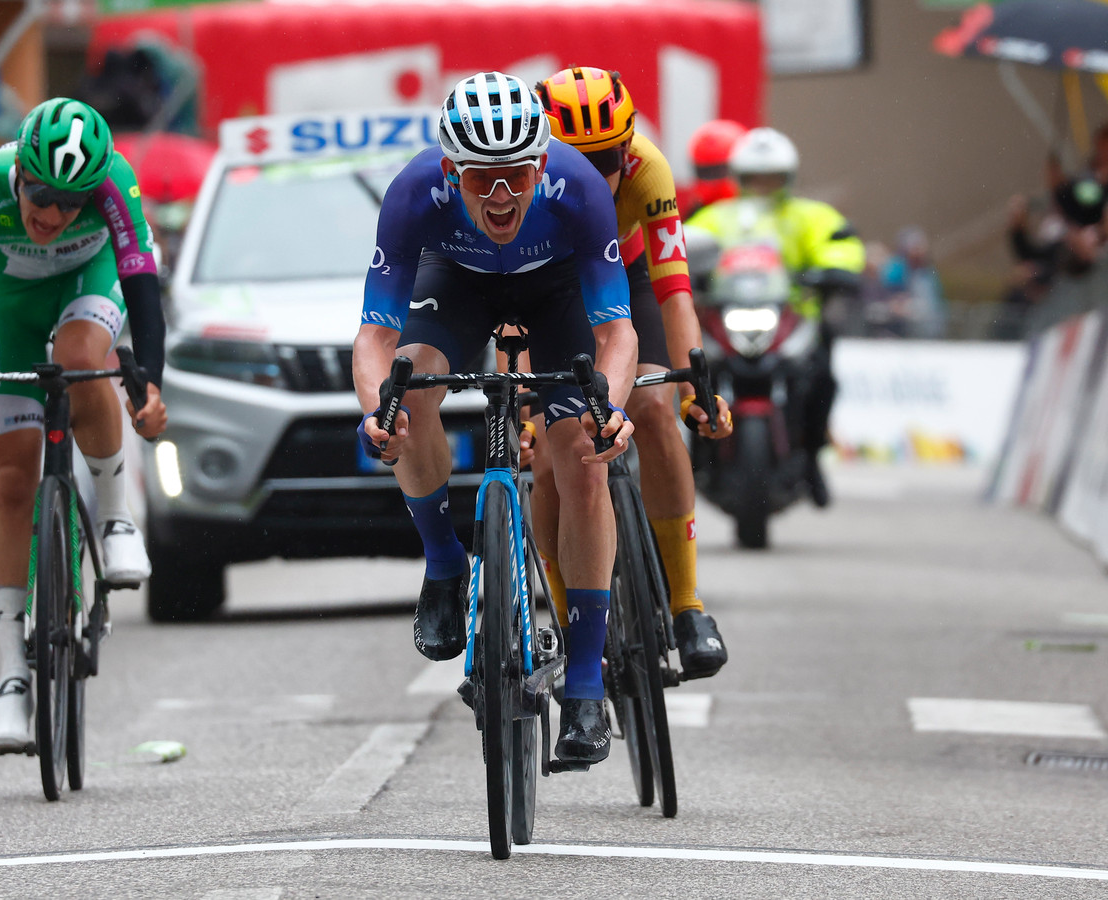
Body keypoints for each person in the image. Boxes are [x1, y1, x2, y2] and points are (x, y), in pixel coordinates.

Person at [352, 72, 637, 764]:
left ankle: (586, 687)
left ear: (541, 163)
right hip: (457, 285)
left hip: (554, 290)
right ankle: (445, 564)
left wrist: (614, 409)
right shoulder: (417, 191)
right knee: (410, 394)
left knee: (583, 459)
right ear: (452, 168)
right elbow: (375, 337)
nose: (502, 194)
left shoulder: (579, 187)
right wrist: (376, 413)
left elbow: (617, 332)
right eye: (482, 178)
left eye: (516, 174)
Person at [0, 97, 168, 753]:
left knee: (82, 359)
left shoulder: (115, 182)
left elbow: (142, 283)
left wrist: (149, 380)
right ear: (20, 172)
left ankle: (116, 519)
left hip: (88, 287)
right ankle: (11, 675)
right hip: (7, 309)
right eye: (42, 195)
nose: (55, 215)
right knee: (10, 481)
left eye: (72, 202)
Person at [534, 67, 732, 679]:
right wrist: (522, 406)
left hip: (628, 276)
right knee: (546, 451)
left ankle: (687, 605)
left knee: (651, 407)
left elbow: (674, 294)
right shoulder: (522, 181)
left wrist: (696, 384)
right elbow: (506, 307)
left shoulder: (648, 168)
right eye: (577, 161)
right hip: (547, 288)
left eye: (608, 160)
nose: (596, 178)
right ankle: (572, 626)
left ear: (628, 146)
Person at [686, 127, 864, 508]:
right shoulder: (716, 217)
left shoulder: (808, 215)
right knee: (690, 374)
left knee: (822, 378)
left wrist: (834, 269)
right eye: (754, 177)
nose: (763, 185)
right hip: (726, 316)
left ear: (788, 178)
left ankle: (813, 455)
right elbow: (680, 245)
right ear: (738, 177)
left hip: (791, 319)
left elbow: (841, 243)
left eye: (773, 177)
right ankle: (691, 453)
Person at [677, 118, 747, 220]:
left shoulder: (766, 216)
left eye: (720, 170)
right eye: (704, 172)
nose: (712, 181)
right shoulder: (694, 219)